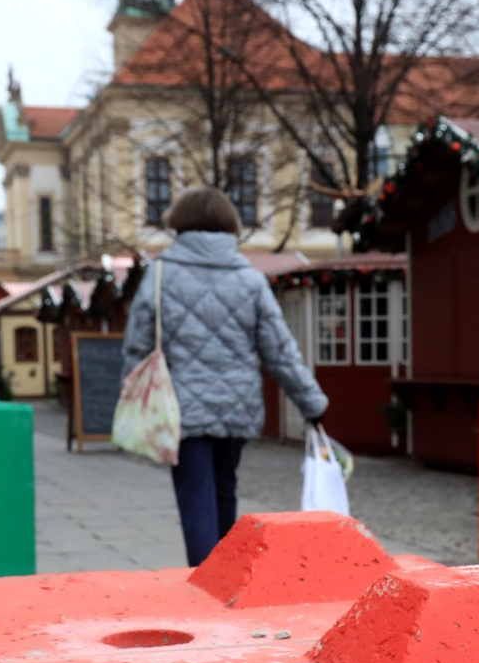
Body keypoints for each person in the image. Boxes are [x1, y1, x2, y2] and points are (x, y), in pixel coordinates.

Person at [121, 186, 329, 566]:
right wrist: (311, 403)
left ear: (179, 224)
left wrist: (133, 394)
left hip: (180, 407)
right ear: (229, 225)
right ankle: (226, 579)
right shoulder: (250, 280)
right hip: (237, 405)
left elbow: (136, 346)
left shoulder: (160, 274)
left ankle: (205, 584)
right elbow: (279, 350)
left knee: (195, 494)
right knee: (223, 489)